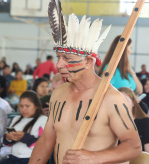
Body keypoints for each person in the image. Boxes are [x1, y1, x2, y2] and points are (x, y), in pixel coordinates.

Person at [28, 10, 141, 164]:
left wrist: (94, 158)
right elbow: (47, 140)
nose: (59, 64)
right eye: (58, 57)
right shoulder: (59, 93)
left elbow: (134, 147)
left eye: (67, 58)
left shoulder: (111, 98)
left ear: (88, 62)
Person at [0, 90, 47, 164]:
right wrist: (8, 138)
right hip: (13, 157)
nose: (24, 109)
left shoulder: (43, 120)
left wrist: (24, 137)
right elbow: (4, 141)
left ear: (36, 106)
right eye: (21, 106)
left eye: (27, 106)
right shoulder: (16, 119)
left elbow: (44, 145)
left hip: (31, 159)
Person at [118, 87, 149, 155]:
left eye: (125, 100)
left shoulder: (146, 123)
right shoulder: (110, 123)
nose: (121, 104)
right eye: (117, 101)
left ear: (133, 103)